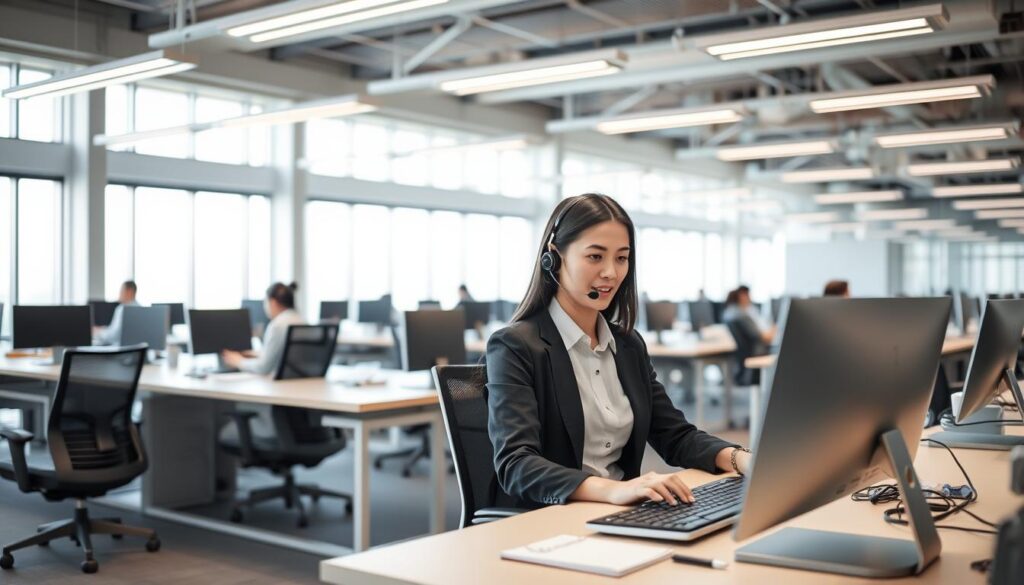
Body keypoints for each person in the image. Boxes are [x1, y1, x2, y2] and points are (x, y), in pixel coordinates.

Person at [486, 194, 751, 510]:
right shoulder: (516, 346)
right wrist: (613, 490)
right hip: (553, 519)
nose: (611, 272)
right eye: (595, 257)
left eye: (622, 258)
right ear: (554, 257)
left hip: (623, 514)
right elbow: (517, 464)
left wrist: (741, 459)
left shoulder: (628, 346)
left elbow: (674, 435)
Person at [221, 282, 305, 375]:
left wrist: (239, 361)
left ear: (273, 302)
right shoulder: (302, 321)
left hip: (281, 385)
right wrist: (260, 353)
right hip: (301, 382)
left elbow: (263, 368)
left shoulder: (277, 325)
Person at [723, 287, 775, 356]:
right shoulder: (742, 315)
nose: (750, 298)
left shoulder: (730, 312)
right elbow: (765, 338)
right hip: (758, 351)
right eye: (748, 295)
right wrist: (777, 328)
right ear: (742, 296)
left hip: (746, 352)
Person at [95, 280, 140, 346]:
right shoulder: (141, 309)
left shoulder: (122, 309)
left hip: (120, 351)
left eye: (121, 291)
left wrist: (98, 332)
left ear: (129, 291)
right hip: (136, 352)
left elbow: (113, 336)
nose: (119, 294)